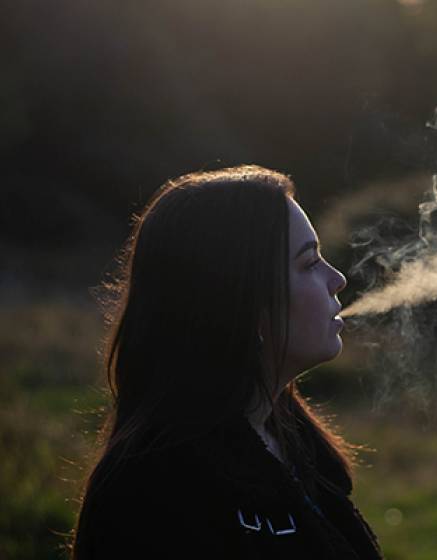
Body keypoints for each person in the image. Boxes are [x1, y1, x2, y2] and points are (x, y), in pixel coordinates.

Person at [68, 165, 383, 559]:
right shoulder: (152, 492)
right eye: (308, 263)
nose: (337, 279)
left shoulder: (297, 447)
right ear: (243, 302)